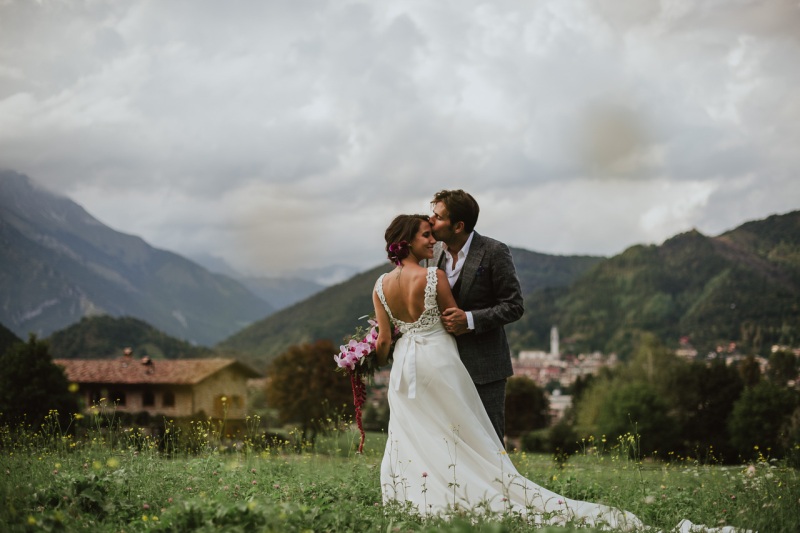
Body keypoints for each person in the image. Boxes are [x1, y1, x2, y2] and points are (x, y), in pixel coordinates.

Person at [372, 213, 748, 532]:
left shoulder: (380, 286)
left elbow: (383, 344)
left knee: (413, 430)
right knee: (460, 430)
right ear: (406, 242)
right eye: (425, 235)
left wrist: (363, 356)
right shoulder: (434, 279)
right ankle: (476, 485)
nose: (432, 239)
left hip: (405, 365)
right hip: (438, 360)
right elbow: (453, 322)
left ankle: (418, 498)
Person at [425, 189, 524, 443]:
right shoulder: (433, 252)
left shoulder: (494, 251)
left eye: (437, 216)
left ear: (458, 226)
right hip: (444, 364)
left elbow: (513, 305)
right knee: (450, 440)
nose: (430, 220)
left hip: (485, 368)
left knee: (488, 441)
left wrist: (469, 320)